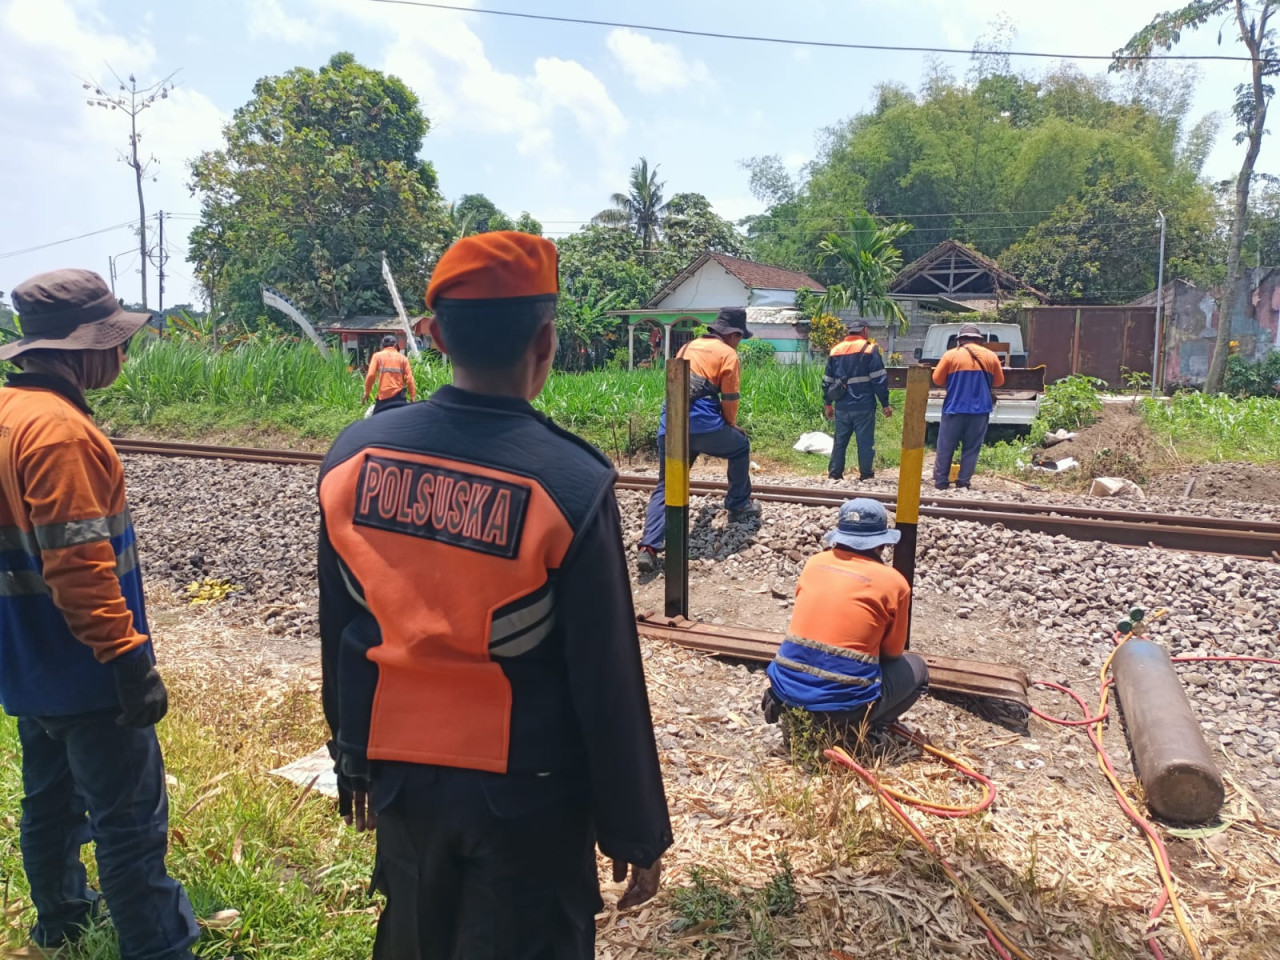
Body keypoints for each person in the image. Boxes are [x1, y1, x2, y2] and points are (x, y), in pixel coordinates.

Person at [318, 232, 672, 959]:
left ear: (436, 336)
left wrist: (351, 756)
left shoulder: (353, 460)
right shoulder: (569, 484)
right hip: (527, 792)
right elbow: (604, 674)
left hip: (401, 780)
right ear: (545, 342)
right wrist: (633, 827)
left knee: (415, 939)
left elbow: (343, 629)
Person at [0, 269, 199, 960]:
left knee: (50, 802)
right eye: (113, 340)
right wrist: (127, 659)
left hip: (29, 660)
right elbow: (79, 566)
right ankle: (160, 947)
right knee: (129, 824)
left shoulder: (8, 413)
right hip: (87, 668)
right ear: (78, 349)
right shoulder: (59, 434)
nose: (122, 351)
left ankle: (60, 920)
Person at [761, 499, 929, 749]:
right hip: (844, 706)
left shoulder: (814, 563)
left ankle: (805, 720)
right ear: (882, 544)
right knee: (919, 670)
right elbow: (892, 652)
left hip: (784, 690)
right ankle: (866, 730)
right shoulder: (894, 583)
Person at [637, 306, 758, 573]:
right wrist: (731, 426)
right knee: (740, 447)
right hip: (705, 427)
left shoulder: (688, 346)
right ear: (734, 334)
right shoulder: (728, 354)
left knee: (667, 484)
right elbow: (730, 399)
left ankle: (649, 547)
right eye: (740, 337)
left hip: (671, 424)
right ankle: (738, 504)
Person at [930, 323, 1005, 491]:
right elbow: (999, 382)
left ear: (960, 340)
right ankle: (963, 482)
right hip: (980, 410)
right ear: (979, 341)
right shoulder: (991, 356)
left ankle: (941, 481)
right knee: (971, 448)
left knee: (945, 447)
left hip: (954, 408)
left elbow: (937, 379)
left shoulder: (950, 355)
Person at [821, 318, 893, 481]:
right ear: (865, 330)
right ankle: (866, 475)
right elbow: (879, 380)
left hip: (842, 406)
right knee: (865, 442)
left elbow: (827, 381)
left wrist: (828, 404)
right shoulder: (869, 349)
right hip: (863, 406)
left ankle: (835, 474)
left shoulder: (835, 350)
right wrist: (885, 404)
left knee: (840, 442)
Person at [363, 334, 417, 414]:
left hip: (383, 399)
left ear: (382, 346)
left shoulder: (377, 357)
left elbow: (371, 375)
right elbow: (410, 379)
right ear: (395, 345)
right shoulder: (403, 359)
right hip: (399, 398)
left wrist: (367, 393)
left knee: (377, 420)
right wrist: (413, 397)